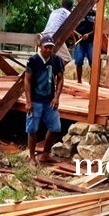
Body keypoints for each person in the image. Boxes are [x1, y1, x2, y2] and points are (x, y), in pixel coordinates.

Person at [25, 35, 65, 166]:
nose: (48, 50)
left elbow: (60, 78)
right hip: (35, 99)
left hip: (49, 100)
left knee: (55, 127)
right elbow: (27, 80)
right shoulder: (33, 60)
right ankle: (32, 157)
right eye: (46, 47)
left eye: (51, 47)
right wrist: (28, 101)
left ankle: (45, 154)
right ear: (40, 47)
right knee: (32, 129)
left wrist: (57, 96)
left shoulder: (56, 60)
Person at [42, 0, 74, 65]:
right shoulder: (68, 13)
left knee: (48, 56)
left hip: (45, 34)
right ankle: (55, 71)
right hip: (55, 34)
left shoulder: (54, 12)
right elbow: (71, 28)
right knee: (67, 59)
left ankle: (50, 71)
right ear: (70, 8)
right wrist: (74, 39)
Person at [73, 11, 96, 84]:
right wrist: (78, 35)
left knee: (92, 61)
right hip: (79, 41)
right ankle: (79, 81)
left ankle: (92, 81)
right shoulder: (78, 13)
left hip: (89, 41)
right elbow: (72, 28)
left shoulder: (93, 14)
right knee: (79, 61)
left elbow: (96, 29)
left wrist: (88, 34)